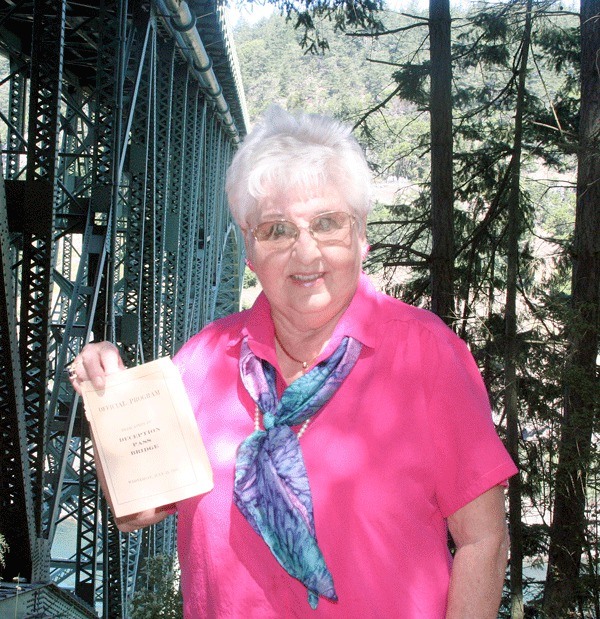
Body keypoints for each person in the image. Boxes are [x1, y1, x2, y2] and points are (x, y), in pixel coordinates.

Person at [69, 107, 518, 618]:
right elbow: (136, 510)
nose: (306, 255)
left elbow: (484, 541)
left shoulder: (426, 356)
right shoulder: (201, 362)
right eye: (277, 230)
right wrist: (110, 404)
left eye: (327, 224)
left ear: (361, 235)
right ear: (248, 249)